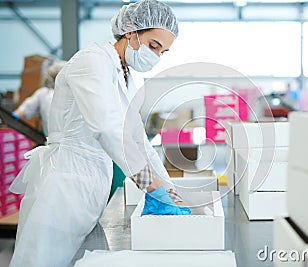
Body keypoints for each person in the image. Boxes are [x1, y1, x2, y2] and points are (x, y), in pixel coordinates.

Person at [9, 1, 189, 266]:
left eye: (163, 52)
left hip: (94, 184)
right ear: (130, 31)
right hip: (66, 180)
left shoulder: (129, 77)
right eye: (153, 46)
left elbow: (136, 138)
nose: (157, 56)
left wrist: (169, 190)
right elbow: (107, 127)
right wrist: (150, 185)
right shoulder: (91, 61)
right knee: (41, 260)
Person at [12, 61, 66, 136]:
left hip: (50, 142)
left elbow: (20, 112)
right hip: (73, 144)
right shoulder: (73, 94)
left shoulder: (42, 93)